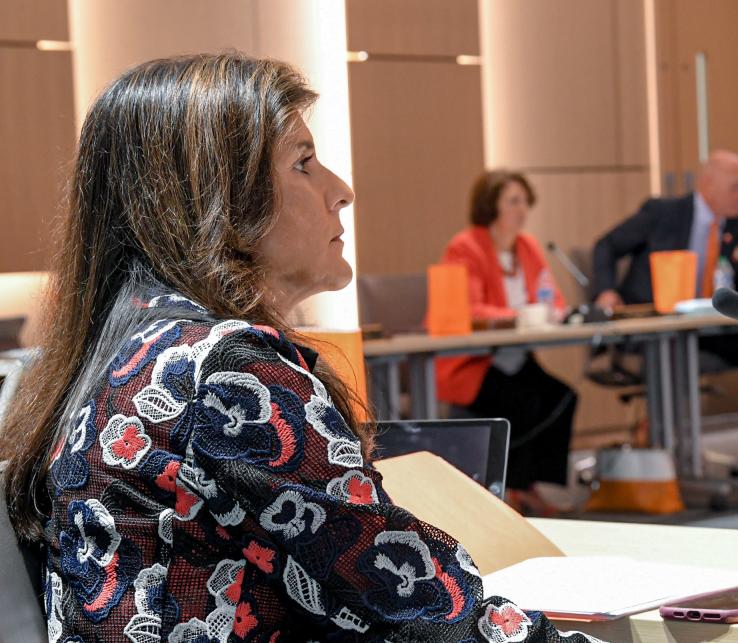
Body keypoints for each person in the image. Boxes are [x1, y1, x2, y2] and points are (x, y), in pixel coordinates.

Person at [0, 54, 599, 642]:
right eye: (304, 163)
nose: (341, 191)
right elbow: (415, 608)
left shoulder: (120, 350)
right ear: (221, 197)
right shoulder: (227, 371)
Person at [592, 150, 738, 464]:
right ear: (708, 185)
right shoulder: (663, 213)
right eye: (735, 187)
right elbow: (606, 245)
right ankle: (665, 450)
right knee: (669, 351)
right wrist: (606, 291)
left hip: (707, 327)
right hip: (654, 327)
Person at [436, 171, 577, 515]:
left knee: (562, 397)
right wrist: (519, 314)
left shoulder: (527, 246)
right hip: (474, 362)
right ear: (491, 205)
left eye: (525, 201)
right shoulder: (465, 247)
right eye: (513, 201)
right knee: (526, 403)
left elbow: (551, 298)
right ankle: (515, 489)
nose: (522, 209)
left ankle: (529, 486)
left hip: (515, 357)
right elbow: (469, 309)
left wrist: (555, 312)